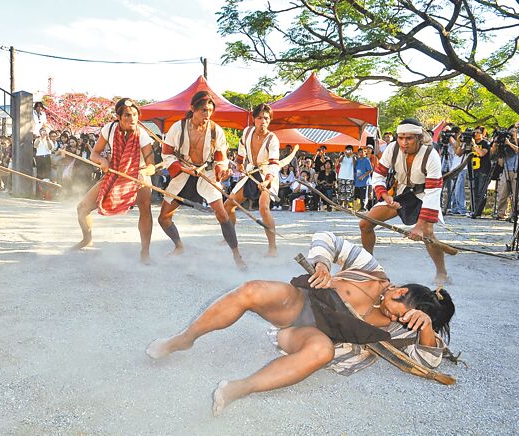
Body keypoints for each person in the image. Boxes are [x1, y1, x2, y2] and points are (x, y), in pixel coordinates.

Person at [146, 231, 454, 416]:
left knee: (322, 352)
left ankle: (239, 388)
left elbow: (428, 361)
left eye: (401, 321)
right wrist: (322, 262)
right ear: (399, 291)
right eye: (397, 311)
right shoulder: (372, 272)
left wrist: (425, 327)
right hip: (299, 303)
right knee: (251, 290)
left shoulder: (402, 327)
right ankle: (184, 338)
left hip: (310, 334)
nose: (393, 319)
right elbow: (327, 238)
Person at [159, 91, 246, 269]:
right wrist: (183, 168)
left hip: (206, 174)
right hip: (183, 174)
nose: (207, 115)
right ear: (193, 109)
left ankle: (237, 255)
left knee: (222, 213)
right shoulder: (178, 127)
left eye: (210, 111)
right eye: (203, 111)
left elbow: (220, 158)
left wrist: (221, 169)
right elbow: (167, 154)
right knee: (163, 218)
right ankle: (179, 246)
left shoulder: (216, 131)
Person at [361, 118, 448, 284]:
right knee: (365, 223)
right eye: (401, 137)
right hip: (401, 192)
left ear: (419, 138)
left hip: (425, 195)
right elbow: (378, 175)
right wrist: (385, 196)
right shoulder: (392, 149)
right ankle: (367, 266)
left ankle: (441, 271)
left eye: (409, 138)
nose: (404, 143)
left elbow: (432, 192)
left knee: (428, 234)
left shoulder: (431, 155)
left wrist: (420, 226)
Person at [72, 98, 155, 263]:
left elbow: (152, 165)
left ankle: (145, 252)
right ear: (118, 117)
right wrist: (103, 162)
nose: (132, 119)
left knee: (145, 209)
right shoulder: (109, 129)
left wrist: (144, 172)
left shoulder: (142, 134)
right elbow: (94, 153)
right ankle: (87, 238)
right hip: (114, 174)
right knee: (82, 208)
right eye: (127, 115)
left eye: (135, 115)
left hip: (138, 175)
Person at [226, 103, 280, 256]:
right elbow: (241, 149)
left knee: (263, 208)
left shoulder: (272, 138)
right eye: (259, 118)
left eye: (266, 118)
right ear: (254, 119)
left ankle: (272, 247)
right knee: (228, 205)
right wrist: (239, 163)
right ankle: (230, 237)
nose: (263, 121)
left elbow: (274, 163)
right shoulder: (247, 132)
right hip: (250, 172)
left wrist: (267, 181)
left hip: (267, 174)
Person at [492, 123, 518, 221]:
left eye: (513, 132)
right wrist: (497, 144)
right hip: (506, 170)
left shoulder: (515, 142)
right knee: (502, 193)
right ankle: (501, 214)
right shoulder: (504, 144)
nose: (511, 134)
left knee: (516, 195)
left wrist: (509, 144)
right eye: (510, 132)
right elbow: (500, 161)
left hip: (516, 170)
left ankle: (514, 215)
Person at [354, 147, 373, 211]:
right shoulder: (357, 160)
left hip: (365, 181)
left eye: (362, 152)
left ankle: (364, 207)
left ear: (365, 152)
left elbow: (370, 170)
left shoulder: (366, 160)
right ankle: (360, 207)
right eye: (359, 152)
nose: (361, 153)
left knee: (364, 195)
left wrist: (363, 176)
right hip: (357, 181)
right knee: (358, 195)